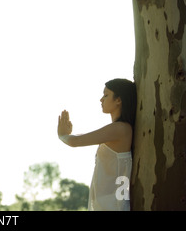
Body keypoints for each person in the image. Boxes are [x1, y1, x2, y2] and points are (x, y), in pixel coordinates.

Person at [57, 78, 137, 211]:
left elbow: (75, 141)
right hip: (106, 204)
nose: (101, 99)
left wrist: (62, 135)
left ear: (119, 100)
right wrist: (68, 136)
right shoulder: (117, 129)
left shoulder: (121, 128)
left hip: (113, 205)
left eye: (106, 95)